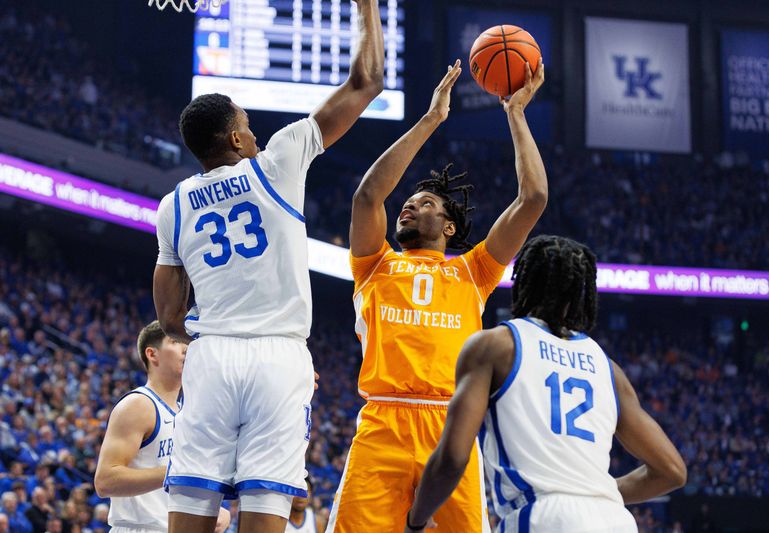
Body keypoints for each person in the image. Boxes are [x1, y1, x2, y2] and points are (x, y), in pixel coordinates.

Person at [151, 1, 385, 531]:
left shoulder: (174, 205)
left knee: (189, 509)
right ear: (236, 139)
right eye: (248, 128)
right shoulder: (276, 162)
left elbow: (169, 317)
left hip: (210, 359)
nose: (255, 135)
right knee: (268, 510)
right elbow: (367, 81)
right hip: (278, 358)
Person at [328, 59, 548, 533]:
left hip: (451, 426)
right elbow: (368, 197)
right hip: (382, 424)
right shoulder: (374, 264)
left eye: (425, 203)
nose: (409, 204)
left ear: (448, 227)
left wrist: (516, 113)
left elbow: (532, 199)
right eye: (408, 201)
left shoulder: (475, 272)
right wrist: (431, 119)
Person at [405, 236, 688, 532]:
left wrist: (416, 520)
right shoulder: (609, 369)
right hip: (614, 520)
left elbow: (452, 458)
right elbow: (672, 472)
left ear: (524, 280)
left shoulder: (495, 346)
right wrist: (596, 492)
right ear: (578, 295)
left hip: (543, 516)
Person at [94, 321, 230, 533]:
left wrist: (214, 510)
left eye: (188, 342)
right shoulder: (139, 405)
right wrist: (174, 472)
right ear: (152, 354)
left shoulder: (189, 411)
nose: (186, 348)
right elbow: (105, 481)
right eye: (176, 341)